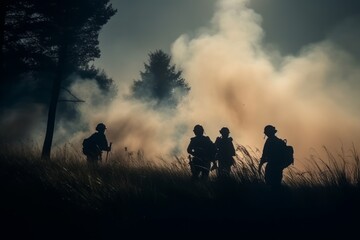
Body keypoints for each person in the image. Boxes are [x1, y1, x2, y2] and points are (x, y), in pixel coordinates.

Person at [258, 125, 285, 189]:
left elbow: (264, 154)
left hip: (271, 166)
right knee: (277, 185)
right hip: (279, 167)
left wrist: (260, 166)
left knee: (270, 184)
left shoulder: (269, 141)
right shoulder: (278, 141)